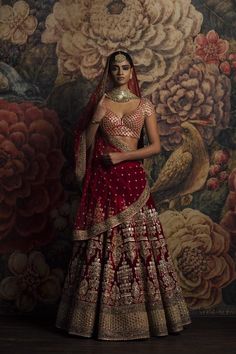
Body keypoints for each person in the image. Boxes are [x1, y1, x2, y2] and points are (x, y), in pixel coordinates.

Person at [56, 51, 191, 341]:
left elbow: (155, 147)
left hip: (132, 182)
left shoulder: (144, 106)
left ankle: (146, 318)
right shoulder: (101, 104)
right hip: (104, 182)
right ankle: (98, 318)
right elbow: (88, 146)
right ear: (109, 71)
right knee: (105, 246)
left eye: (124, 67)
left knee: (138, 246)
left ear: (132, 72)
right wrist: (95, 121)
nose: (119, 72)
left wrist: (121, 157)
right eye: (114, 67)